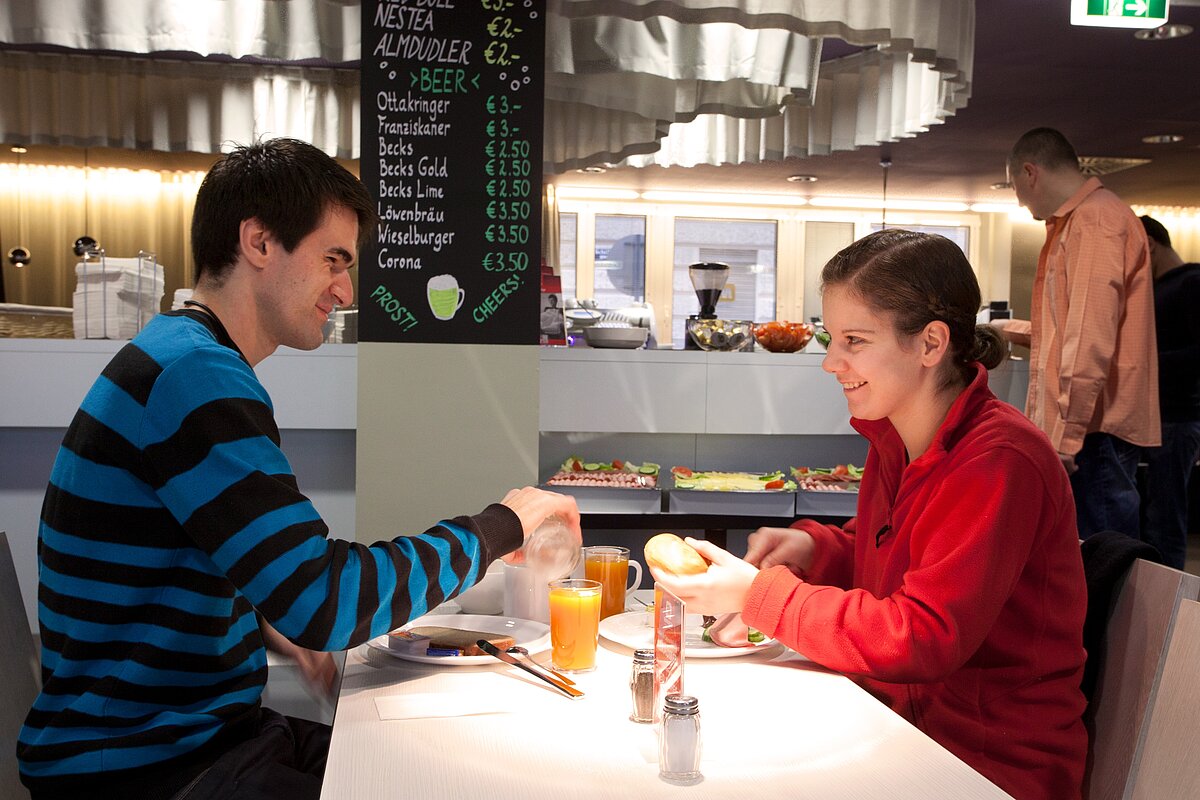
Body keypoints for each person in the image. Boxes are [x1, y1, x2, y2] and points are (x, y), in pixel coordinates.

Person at [17, 138, 581, 800]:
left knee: (427, 765)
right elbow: (325, 599)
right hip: (144, 767)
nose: (344, 289)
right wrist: (500, 525)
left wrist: (270, 623)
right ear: (259, 242)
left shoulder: (184, 356)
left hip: (188, 738)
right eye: (333, 260)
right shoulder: (194, 375)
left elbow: (202, 570)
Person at [650, 230, 1089, 800]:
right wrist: (818, 549)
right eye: (834, 339)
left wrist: (756, 594)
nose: (832, 362)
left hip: (985, 766)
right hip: (900, 727)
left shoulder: (999, 461)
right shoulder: (897, 438)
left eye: (855, 340)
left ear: (931, 343)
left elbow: (923, 635)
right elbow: (902, 557)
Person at [995, 127, 1159, 540]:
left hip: (1092, 431)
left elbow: (1089, 339)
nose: (1019, 200)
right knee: (1088, 561)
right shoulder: (1083, 222)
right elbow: (1067, 329)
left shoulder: (1095, 221)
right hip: (1089, 427)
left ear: (1031, 173)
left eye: (1016, 187)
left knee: (1100, 565)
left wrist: (1066, 439)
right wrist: (1003, 329)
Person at [1138, 215, 1200, 569]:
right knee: (1155, 519)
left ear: (1148, 244)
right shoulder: (1163, 287)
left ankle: (1171, 613)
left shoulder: (1190, 283)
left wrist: (1145, 364)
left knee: (1166, 521)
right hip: (1160, 419)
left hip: (1175, 419)